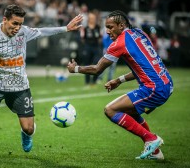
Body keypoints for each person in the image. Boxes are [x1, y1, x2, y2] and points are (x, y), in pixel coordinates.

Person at [0, 4, 83, 157]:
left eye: (20, 24)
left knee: (29, 128)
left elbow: (42, 31)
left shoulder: (24, 32)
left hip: (20, 88)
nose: (17, 28)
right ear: (4, 20)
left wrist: (66, 28)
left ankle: (26, 135)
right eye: (14, 23)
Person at [67, 10, 173, 160]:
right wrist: (119, 80)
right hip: (166, 83)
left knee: (110, 110)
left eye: (110, 27)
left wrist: (75, 69)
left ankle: (151, 139)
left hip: (154, 88)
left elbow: (98, 69)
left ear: (121, 25)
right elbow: (144, 67)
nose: (107, 31)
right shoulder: (140, 34)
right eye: (106, 27)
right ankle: (155, 152)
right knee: (133, 112)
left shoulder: (119, 43)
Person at [80, 12, 102, 86]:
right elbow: (82, 38)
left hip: (96, 47)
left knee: (97, 63)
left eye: (93, 18)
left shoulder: (97, 27)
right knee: (87, 64)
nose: (92, 19)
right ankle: (87, 81)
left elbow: (100, 37)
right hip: (88, 46)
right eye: (91, 18)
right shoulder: (85, 28)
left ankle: (94, 80)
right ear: (89, 19)